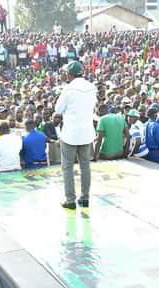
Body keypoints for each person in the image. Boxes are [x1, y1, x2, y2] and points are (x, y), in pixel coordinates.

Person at [54, 61, 97, 209]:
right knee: (86, 167)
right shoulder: (92, 87)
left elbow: (58, 109)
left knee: (67, 167)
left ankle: (70, 200)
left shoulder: (68, 89)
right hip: (86, 133)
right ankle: (85, 198)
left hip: (71, 134)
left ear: (69, 74)